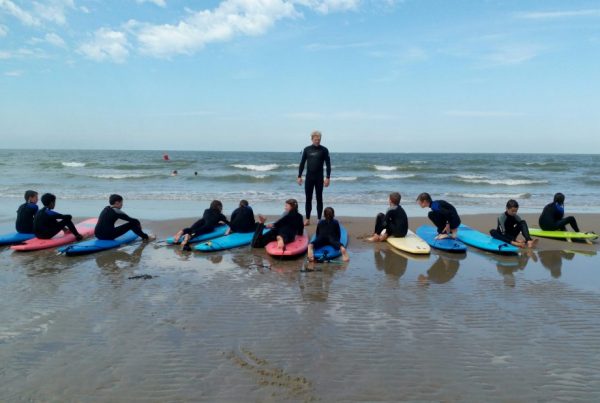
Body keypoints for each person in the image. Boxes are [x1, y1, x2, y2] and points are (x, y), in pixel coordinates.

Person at [297, 131, 331, 226]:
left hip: (319, 178)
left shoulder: (324, 150)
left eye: (319, 140)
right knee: (308, 198)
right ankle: (307, 219)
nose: (317, 141)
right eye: (316, 139)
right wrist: (299, 176)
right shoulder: (307, 149)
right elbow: (302, 163)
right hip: (309, 178)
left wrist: (328, 178)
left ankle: (319, 219)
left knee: (319, 198)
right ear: (312, 139)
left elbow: (328, 164)